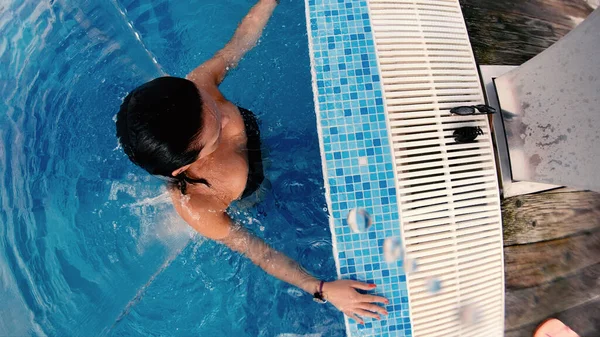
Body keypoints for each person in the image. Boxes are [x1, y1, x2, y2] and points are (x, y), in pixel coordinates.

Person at [115, 0, 388, 325]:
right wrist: (323, 289)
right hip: (253, 192)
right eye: (214, 133)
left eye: (210, 104)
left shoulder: (199, 86)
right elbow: (260, 252)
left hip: (262, 151)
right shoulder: (201, 203)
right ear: (186, 164)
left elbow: (239, 43)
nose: (223, 116)